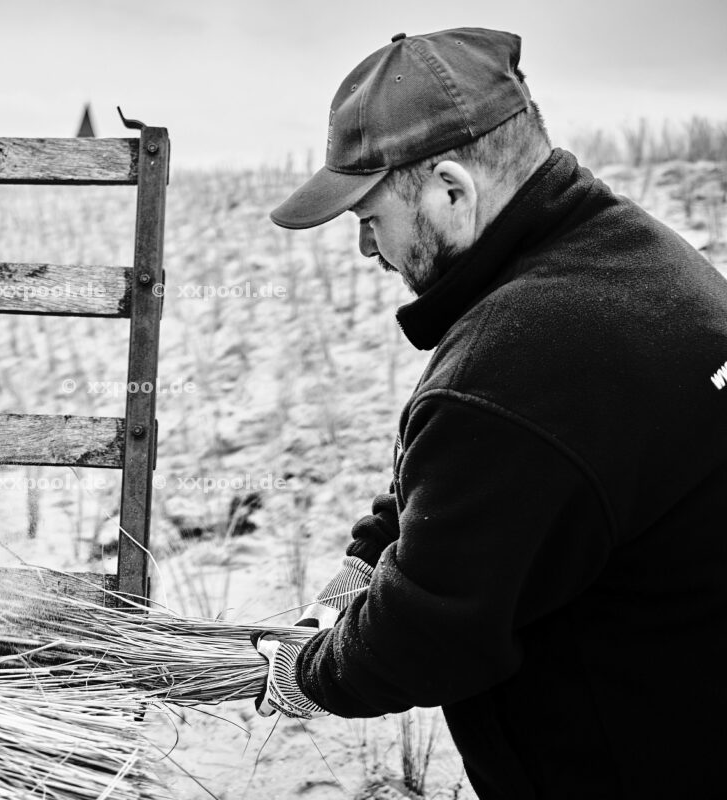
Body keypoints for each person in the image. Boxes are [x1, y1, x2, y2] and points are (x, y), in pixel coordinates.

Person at [251, 26, 727, 799]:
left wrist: (301, 673)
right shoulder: (628, 256)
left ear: (450, 189)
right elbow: (493, 485)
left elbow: (427, 634)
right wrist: (363, 563)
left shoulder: (514, 366)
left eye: (370, 219)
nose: (367, 250)